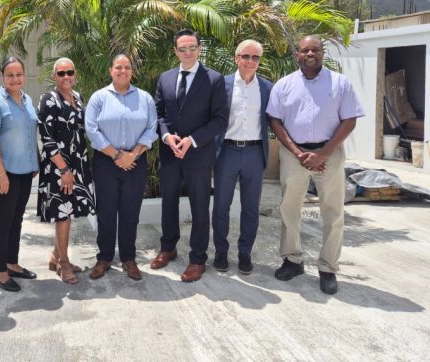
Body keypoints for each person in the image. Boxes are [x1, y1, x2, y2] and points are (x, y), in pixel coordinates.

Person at [267, 35, 364, 295]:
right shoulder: (284, 85)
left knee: (333, 211)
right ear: (296, 54)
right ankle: (292, 260)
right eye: (305, 50)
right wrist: (298, 153)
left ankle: (328, 267)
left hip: (330, 153)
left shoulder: (340, 83)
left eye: (315, 49)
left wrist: (323, 154)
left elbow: (350, 120)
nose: (310, 54)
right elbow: (274, 121)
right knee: (289, 208)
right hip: (293, 155)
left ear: (323, 53)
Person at [150, 29, 228, 282]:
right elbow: (158, 114)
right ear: (176, 51)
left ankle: (197, 259)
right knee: (168, 203)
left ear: (199, 48)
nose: (187, 52)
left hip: (199, 155)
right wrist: (166, 137)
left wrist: (192, 140)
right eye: (182, 49)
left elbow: (220, 120)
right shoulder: (165, 78)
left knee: (199, 207)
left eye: (192, 47)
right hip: (170, 153)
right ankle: (168, 248)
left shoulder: (214, 79)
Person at [85, 54, 158, 281]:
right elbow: (91, 129)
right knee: (106, 212)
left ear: (132, 71)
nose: (123, 71)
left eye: (127, 67)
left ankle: (128, 258)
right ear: (110, 70)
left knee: (130, 212)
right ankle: (104, 258)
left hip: (135, 161)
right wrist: (116, 155)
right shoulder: (99, 98)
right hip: (106, 162)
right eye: (118, 67)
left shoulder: (145, 98)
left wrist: (132, 155)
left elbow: (152, 128)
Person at [212, 40, 272, 275]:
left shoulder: (267, 88)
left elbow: (275, 119)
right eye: (246, 56)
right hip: (227, 151)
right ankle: (220, 252)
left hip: (255, 153)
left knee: (250, 207)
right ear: (236, 58)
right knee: (221, 206)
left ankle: (245, 253)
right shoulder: (222, 84)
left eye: (255, 57)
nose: (250, 61)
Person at [0, 56, 40, 293]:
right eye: (10, 75)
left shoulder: (27, 100)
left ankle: (12, 263)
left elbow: (29, 133)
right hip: (4, 172)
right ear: (2, 77)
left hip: (24, 170)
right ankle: (1, 273)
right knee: (4, 221)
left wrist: (34, 163)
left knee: (17, 219)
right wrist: (0, 173)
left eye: (18, 74)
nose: (15, 79)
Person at [37, 57, 95, 284]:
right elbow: (47, 138)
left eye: (69, 72)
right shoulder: (48, 99)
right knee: (63, 214)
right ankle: (63, 262)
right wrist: (64, 170)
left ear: (75, 74)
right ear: (54, 76)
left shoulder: (78, 97)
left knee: (68, 214)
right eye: (61, 73)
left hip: (78, 162)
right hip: (59, 166)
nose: (66, 77)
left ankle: (55, 256)